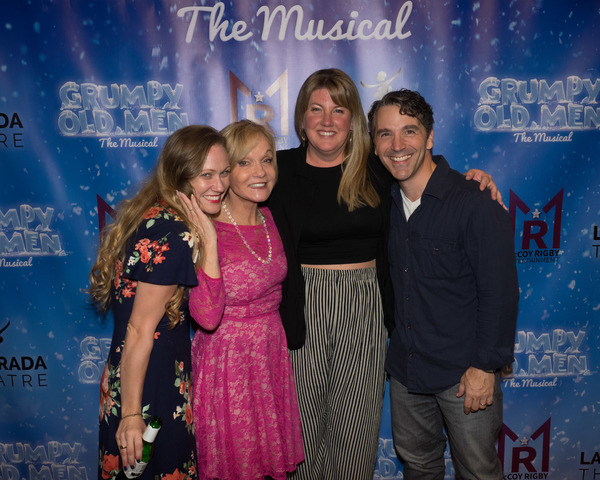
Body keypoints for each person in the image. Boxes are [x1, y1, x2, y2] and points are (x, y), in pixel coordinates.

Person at [268, 68, 501, 479]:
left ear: (353, 120)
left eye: (338, 110)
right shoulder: (277, 172)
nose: (327, 120)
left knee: (355, 428)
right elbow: (223, 187)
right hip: (302, 309)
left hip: (366, 308)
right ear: (301, 119)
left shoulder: (376, 167)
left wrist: (476, 180)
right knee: (302, 433)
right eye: (316, 109)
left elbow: (421, 172)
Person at [367, 89, 519, 480]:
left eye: (409, 132)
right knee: (418, 467)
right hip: (406, 371)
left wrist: (485, 367)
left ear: (430, 137)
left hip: (464, 377)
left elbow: (500, 294)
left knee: (478, 471)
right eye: (385, 134)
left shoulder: (474, 202)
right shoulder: (381, 201)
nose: (397, 145)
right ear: (374, 143)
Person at [90, 125, 230, 480]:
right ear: (180, 178)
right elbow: (139, 329)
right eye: (206, 175)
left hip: (133, 374)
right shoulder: (175, 233)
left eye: (224, 172)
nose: (220, 185)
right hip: (150, 385)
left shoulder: (154, 214)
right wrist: (133, 415)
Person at [180, 120, 304, 480]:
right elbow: (204, 315)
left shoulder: (271, 216)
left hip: (269, 355)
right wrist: (211, 242)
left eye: (267, 160)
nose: (260, 172)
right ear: (225, 172)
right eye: (245, 163)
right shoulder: (204, 226)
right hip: (226, 361)